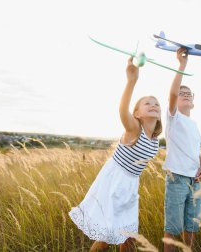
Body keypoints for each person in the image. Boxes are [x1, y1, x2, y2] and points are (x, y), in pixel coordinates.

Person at [69, 57, 162, 251]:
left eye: (156, 104)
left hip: (130, 185)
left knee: (127, 237)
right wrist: (131, 81)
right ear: (137, 114)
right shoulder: (134, 129)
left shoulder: (155, 139)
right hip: (115, 181)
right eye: (147, 103)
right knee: (108, 235)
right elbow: (122, 111)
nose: (153, 105)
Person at [163, 48, 201, 251]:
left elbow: (196, 149)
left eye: (189, 93)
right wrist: (182, 65)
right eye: (182, 93)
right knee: (172, 227)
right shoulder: (174, 117)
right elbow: (173, 93)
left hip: (195, 181)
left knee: (192, 224)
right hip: (177, 179)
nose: (186, 94)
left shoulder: (195, 125)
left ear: (194, 100)